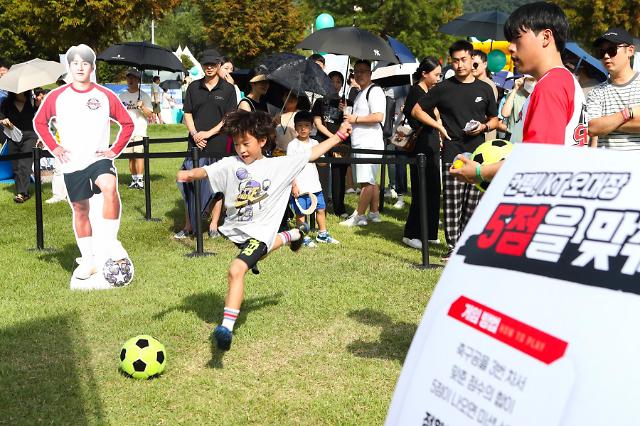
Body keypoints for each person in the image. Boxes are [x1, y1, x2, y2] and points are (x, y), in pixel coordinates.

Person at [176, 110, 352, 351]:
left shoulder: (277, 166)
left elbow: (312, 153)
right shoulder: (230, 164)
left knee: (236, 270)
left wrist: (340, 135)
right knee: (262, 251)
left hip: (260, 234)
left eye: (246, 143)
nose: (241, 149)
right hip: (237, 233)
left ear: (262, 141)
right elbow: (206, 171)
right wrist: (189, 174)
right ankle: (294, 235)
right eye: (237, 144)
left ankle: (225, 329)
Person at [451, 2, 588, 185]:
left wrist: (479, 171)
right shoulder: (566, 80)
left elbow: (536, 160)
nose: (510, 47)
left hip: (545, 197)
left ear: (546, 36)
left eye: (517, 38)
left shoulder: (550, 85)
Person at [33, 44, 134, 286]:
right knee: (80, 209)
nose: (80, 67)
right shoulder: (56, 97)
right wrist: (54, 148)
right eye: (75, 63)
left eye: (85, 63)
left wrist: (113, 150)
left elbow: (127, 124)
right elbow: (40, 123)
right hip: (72, 164)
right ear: (69, 66)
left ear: (92, 67)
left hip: (98, 159)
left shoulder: (105, 95)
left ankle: (109, 244)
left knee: (109, 187)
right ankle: (88, 258)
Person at [411, 40, 498, 259]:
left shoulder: (485, 88)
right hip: (452, 151)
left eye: (464, 60)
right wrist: (439, 126)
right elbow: (417, 110)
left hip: (479, 153)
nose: (459, 65)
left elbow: (495, 120)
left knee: (472, 203)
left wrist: (484, 126)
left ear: (472, 60)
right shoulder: (443, 87)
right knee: (452, 202)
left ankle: (467, 244)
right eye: (455, 60)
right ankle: (453, 247)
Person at [177, 50, 238, 239]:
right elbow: (187, 113)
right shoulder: (193, 87)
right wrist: (195, 134)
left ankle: (213, 225)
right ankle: (188, 226)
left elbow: (229, 117)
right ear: (202, 66)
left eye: (213, 64)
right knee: (189, 182)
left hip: (219, 143)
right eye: (206, 64)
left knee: (218, 186)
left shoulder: (228, 90)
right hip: (195, 144)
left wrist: (208, 134)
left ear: (219, 65)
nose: (209, 67)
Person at [402, 57, 442, 249]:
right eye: (436, 74)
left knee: (434, 189)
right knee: (420, 190)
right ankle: (411, 233)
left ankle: (430, 232)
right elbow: (412, 118)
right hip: (420, 146)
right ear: (424, 73)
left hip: (432, 144)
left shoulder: (431, 91)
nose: (438, 78)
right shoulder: (415, 91)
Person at [340, 59, 386, 227]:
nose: (358, 74)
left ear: (370, 73)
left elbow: (378, 116)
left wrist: (355, 118)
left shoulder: (375, 91)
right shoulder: (361, 92)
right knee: (370, 180)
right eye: (356, 72)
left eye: (362, 71)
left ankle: (359, 215)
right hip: (362, 141)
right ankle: (374, 212)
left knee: (366, 181)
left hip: (369, 142)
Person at [287, 111, 340, 247]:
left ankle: (323, 234)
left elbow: (321, 163)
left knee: (321, 209)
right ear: (295, 127)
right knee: (301, 213)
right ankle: (302, 236)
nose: (303, 128)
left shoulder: (316, 142)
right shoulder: (292, 145)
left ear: (311, 127)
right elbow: (290, 168)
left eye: (306, 125)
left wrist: (329, 157)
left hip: (315, 185)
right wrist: (294, 185)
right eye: (300, 126)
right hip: (300, 186)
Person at [586, 27, 640, 150]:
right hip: (608, 168)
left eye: (612, 50)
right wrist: (628, 113)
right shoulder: (595, 92)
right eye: (601, 51)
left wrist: (606, 123)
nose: (605, 56)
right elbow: (592, 128)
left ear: (630, 50)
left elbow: (599, 126)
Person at [312, 71, 352, 218]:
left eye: (338, 82)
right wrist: (334, 137)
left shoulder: (345, 102)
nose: (335, 84)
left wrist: (345, 111)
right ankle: (320, 208)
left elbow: (349, 122)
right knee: (321, 174)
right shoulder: (320, 102)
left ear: (342, 85)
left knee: (339, 174)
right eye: (332, 81)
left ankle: (339, 208)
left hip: (341, 142)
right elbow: (318, 124)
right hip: (323, 140)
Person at [0, 90, 38, 203]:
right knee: (16, 166)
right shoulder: (6, 103)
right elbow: (1, 117)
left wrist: (38, 105)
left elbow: (40, 116)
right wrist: (3, 121)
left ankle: (22, 193)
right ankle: (20, 191)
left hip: (30, 136)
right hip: (13, 136)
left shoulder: (32, 101)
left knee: (24, 164)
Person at [119, 69, 152, 189]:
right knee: (130, 156)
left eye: (133, 78)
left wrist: (142, 106)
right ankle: (134, 180)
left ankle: (140, 180)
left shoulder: (144, 95)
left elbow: (150, 114)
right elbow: (118, 113)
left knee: (139, 155)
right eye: (128, 77)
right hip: (127, 131)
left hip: (139, 130)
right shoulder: (122, 95)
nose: (130, 80)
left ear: (138, 80)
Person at [471, 50, 499, 141]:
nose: (472, 67)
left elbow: (490, 113)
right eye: (470, 64)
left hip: (486, 136)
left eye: (475, 64)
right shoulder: (473, 83)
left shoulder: (489, 86)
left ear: (485, 64)